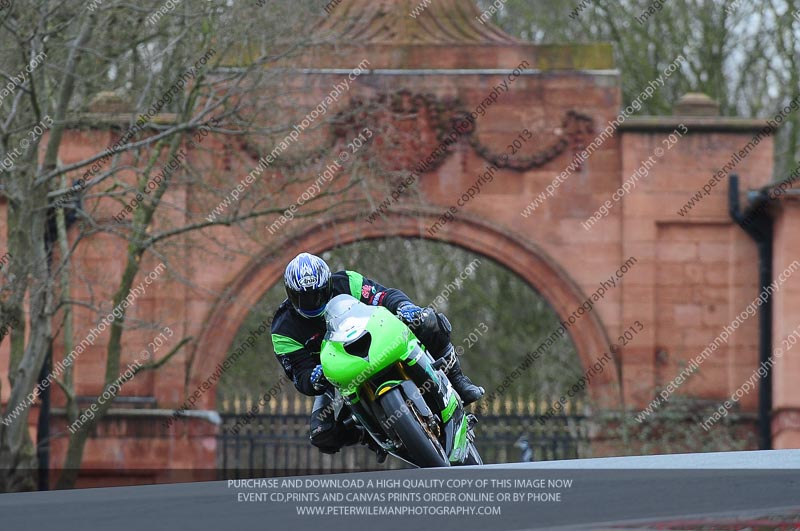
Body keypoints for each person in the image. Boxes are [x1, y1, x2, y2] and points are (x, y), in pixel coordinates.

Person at [271, 252, 484, 456]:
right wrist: (313, 380)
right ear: (291, 295)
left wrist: (405, 307)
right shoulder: (282, 330)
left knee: (428, 320)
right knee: (321, 434)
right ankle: (368, 434)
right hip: (334, 375)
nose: (314, 302)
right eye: (305, 298)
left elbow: (383, 296)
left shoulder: (347, 281)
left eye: (318, 294)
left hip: (375, 340)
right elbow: (299, 373)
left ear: (327, 283)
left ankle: (458, 380)